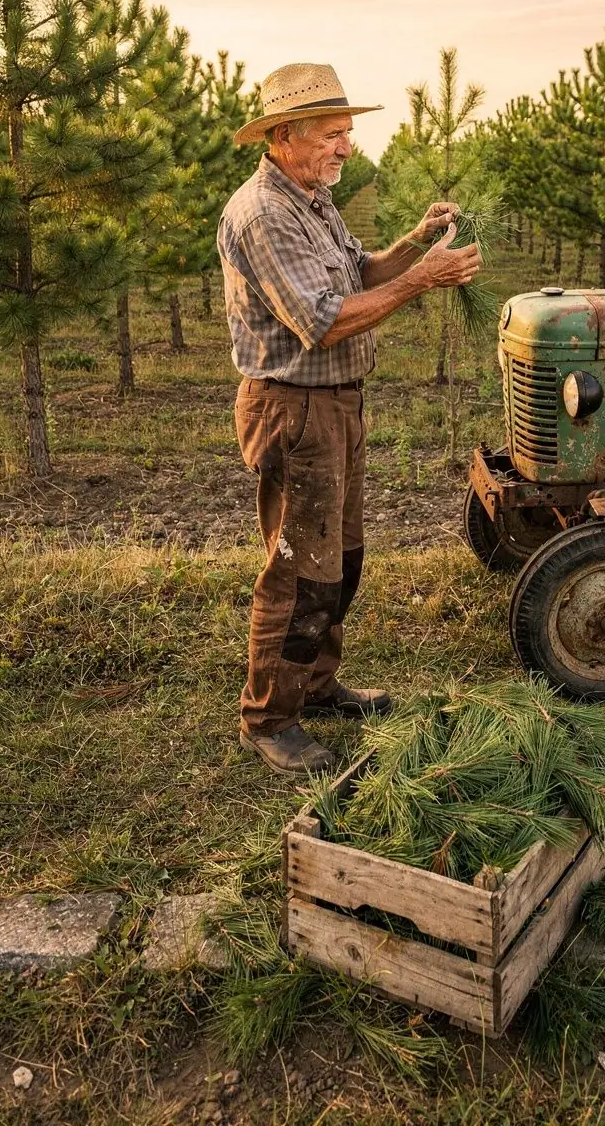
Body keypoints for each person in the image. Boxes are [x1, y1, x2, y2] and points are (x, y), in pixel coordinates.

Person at [218, 62, 481, 774]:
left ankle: (317, 685)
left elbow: (358, 272)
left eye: (347, 133)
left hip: (335, 406)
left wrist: (414, 244)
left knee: (342, 560)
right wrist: (427, 278)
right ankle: (270, 719)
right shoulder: (264, 213)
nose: (347, 146)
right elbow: (323, 322)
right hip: (294, 408)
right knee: (300, 571)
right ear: (283, 135)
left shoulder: (311, 198)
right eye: (333, 134)